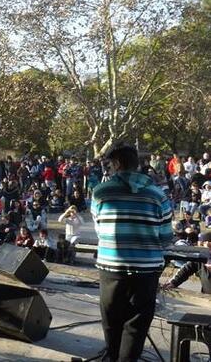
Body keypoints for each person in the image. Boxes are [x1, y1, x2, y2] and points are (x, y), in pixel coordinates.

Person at [90, 143, 174, 362]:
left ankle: (112, 356)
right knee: (136, 326)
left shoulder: (100, 192)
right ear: (137, 165)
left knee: (111, 321)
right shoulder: (158, 195)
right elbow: (166, 238)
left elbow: (100, 230)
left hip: (111, 268)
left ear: (116, 164)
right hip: (146, 272)